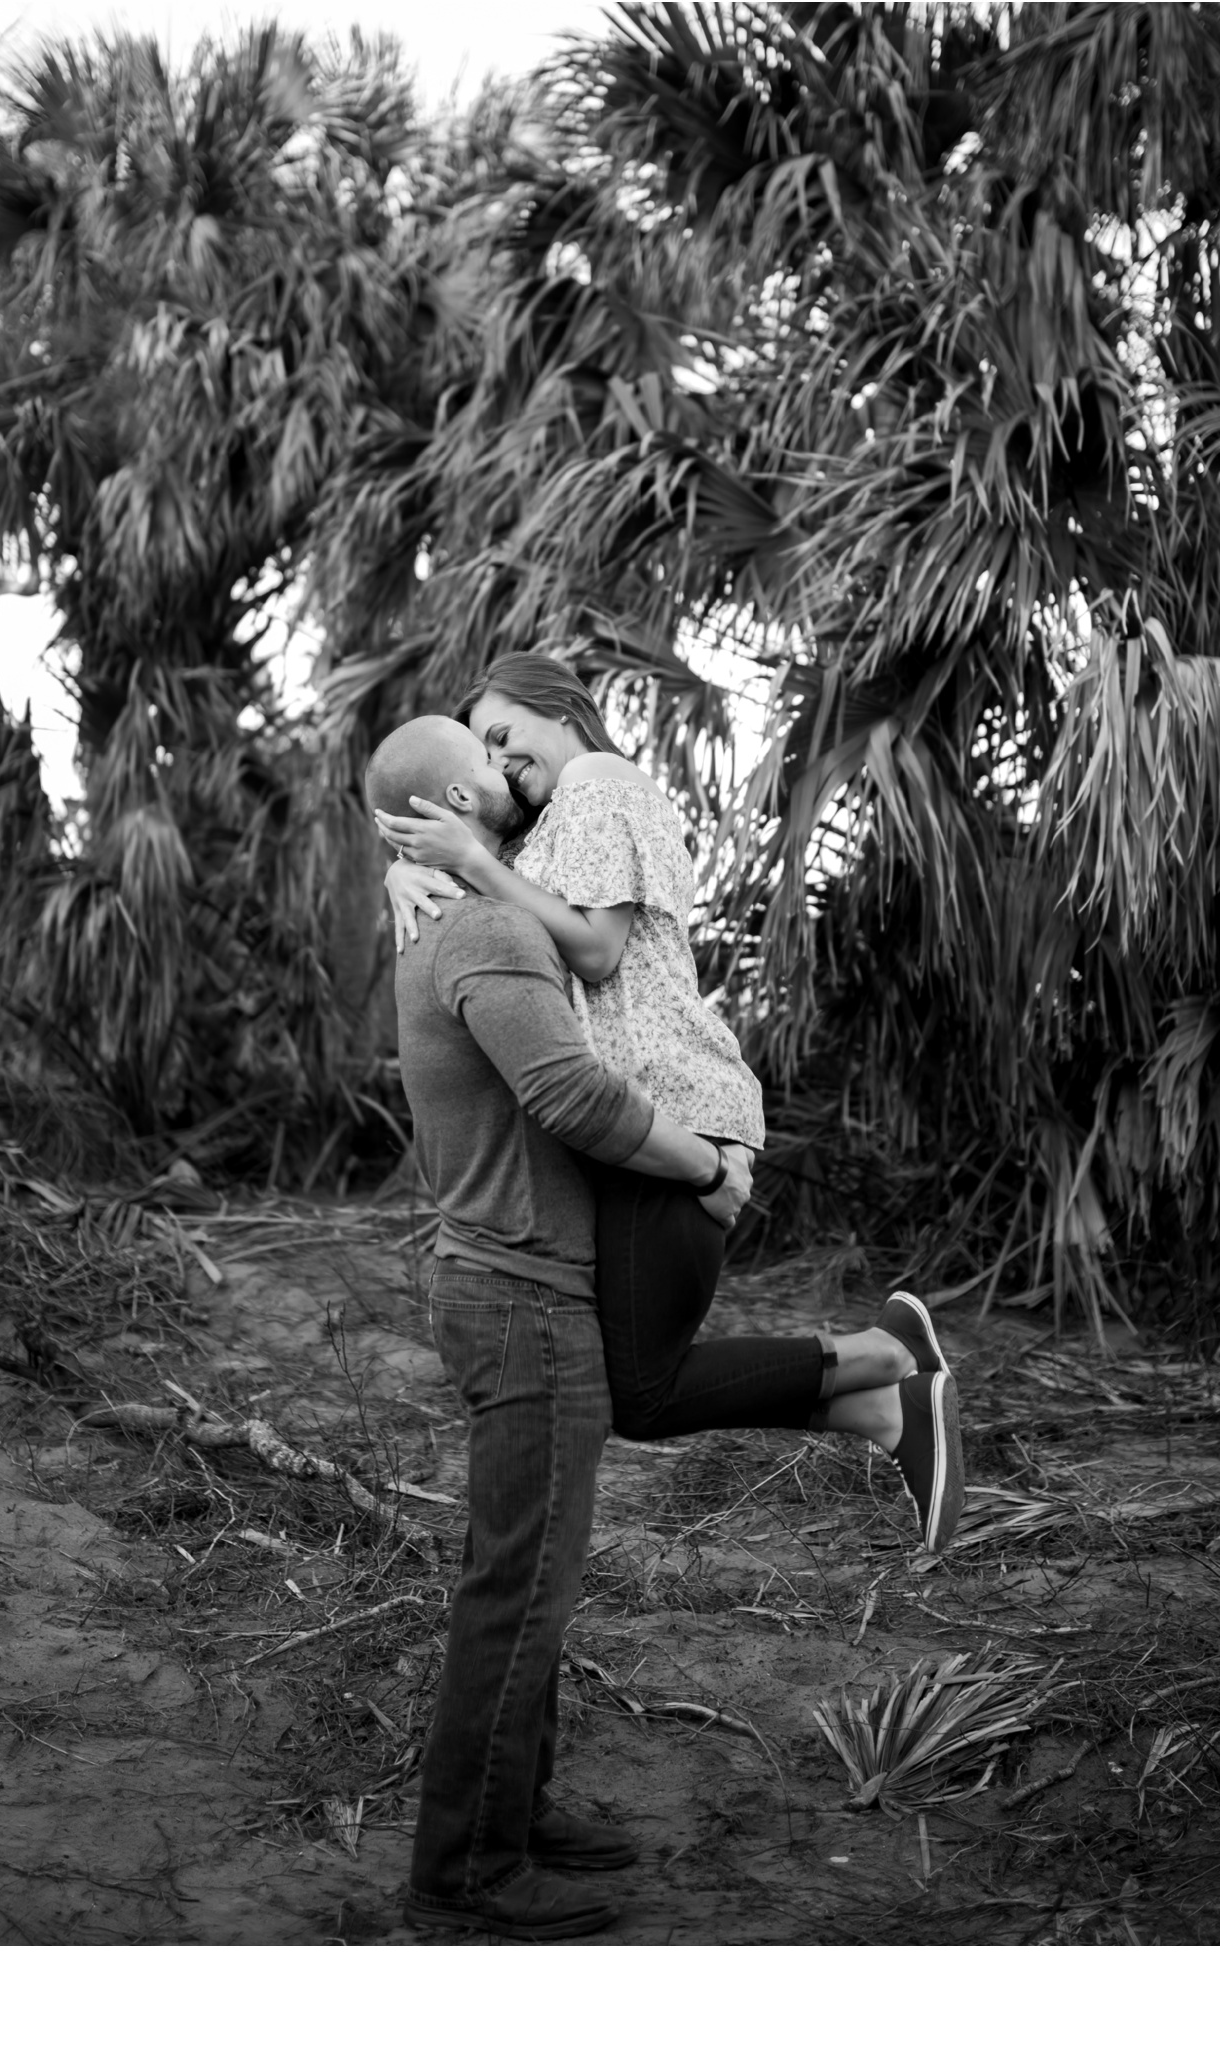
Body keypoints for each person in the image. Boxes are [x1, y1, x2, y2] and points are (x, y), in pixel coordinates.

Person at [367, 712, 962, 1944]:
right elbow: (569, 1091)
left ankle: (514, 1816)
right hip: (522, 1295)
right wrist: (701, 1166)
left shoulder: (451, 917)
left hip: (516, 1286)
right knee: (516, 1592)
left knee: (530, 1581)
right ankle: (465, 1871)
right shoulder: (483, 925)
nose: (517, 780)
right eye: (492, 769)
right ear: (461, 800)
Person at [374, 654, 963, 1554]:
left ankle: (886, 1353)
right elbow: (482, 873)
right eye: (483, 757)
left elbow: (598, 951)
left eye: (502, 737)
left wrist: (467, 860)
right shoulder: (545, 829)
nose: (498, 766)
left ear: (559, 708)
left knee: (643, 1395)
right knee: (634, 1392)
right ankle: (886, 1412)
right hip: (634, 1123)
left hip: (677, 1109)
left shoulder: (599, 783)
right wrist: (405, 871)